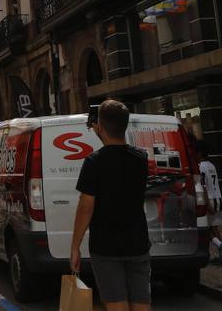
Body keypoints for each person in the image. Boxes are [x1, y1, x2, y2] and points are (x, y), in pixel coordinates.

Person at [71, 100, 151, 311]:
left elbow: (86, 207)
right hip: (138, 242)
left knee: (116, 304)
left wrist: (75, 246)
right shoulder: (141, 158)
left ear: (100, 126)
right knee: (142, 301)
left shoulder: (94, 162)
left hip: (106, 247)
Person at [197, 141, 222, 264]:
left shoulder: (201, 167)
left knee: (204, 227)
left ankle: (221, 245)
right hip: (218, 198)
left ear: (199, 153)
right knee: (214, 227)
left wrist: (206, 203)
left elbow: (203, 185)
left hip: (209, 199)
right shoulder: (211, 165)